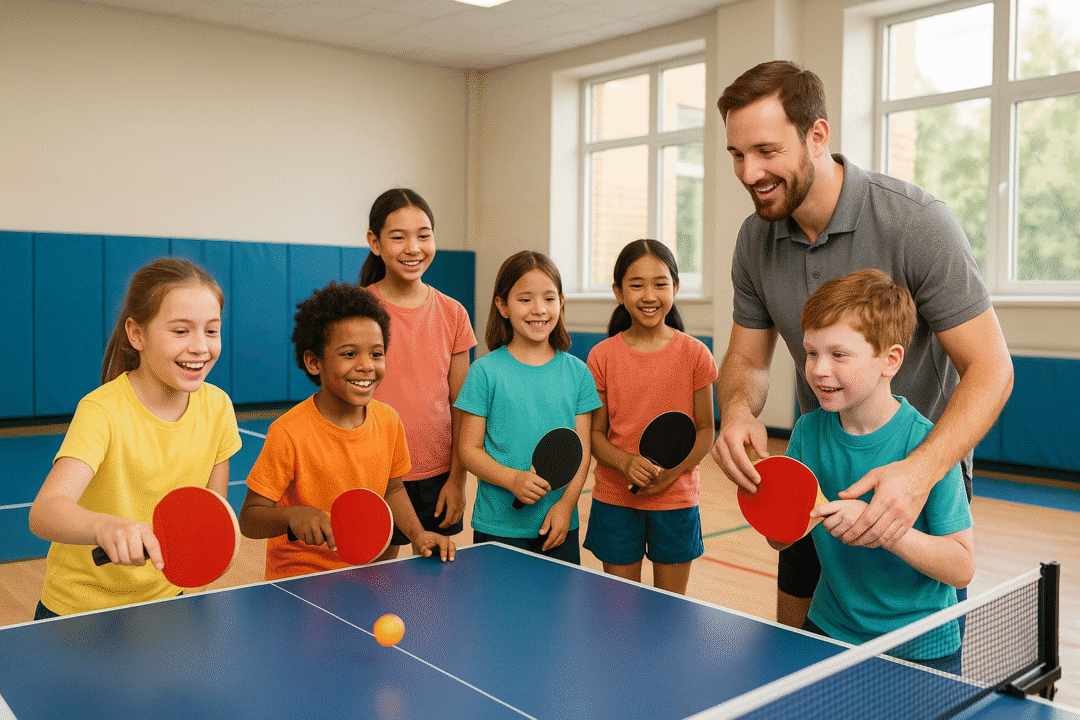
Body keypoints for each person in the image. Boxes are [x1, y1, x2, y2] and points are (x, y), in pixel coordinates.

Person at [710, 60, 1012, 626]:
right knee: (803, 643)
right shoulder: (755, 240)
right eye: (736, 154)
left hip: (921, 465)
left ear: (817, 136)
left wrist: (918, 472)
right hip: (820, 466)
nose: (749, 172)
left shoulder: (917, 223)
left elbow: (992, 369)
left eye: (767, 151)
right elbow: (748, 361)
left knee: (909, 646)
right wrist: (737, 411)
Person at [771, 269, 973, 672]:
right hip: (830, 630)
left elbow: (961, 567)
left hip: (922, 647)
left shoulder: (926, 445)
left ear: (890, 360)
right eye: (811, 353)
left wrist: (879, 527)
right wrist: (774, 509)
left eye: (838, 354)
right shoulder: (807, 433)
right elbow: (781, 540)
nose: (819, 369)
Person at [28, 258, 242, 617]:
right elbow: (45, 511)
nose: (200, 346)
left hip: (166, 602)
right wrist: (103, 526)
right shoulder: (102, 411)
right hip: (78, 612)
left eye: (211, 330)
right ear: (137, 334)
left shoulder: (218, 407)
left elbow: (209, 513)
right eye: (181, 331)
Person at [238, 282, 454, 580]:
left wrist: (418, 534)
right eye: (350, 354)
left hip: (363, 571)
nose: (366, 366)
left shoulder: (389, 421)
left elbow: (393, 489)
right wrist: (292, 516)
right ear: (314, 362)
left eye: (376, 354)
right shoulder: (288, 432)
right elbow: (249, 519)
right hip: (300, 576)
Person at [584, 239, 717, 594]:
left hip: (676, 501)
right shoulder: (601, 357)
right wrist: (625, 463)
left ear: (676, 287)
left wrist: (670, 474)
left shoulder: (696, 354)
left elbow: (706, 429)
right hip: (615, 500)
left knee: (670, 609)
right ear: (618, 291)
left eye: (660, 284)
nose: (649, 295)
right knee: (620, 610)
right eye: (636, 285)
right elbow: (595, 435)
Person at [455, 251, 601, 563]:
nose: (539, 309)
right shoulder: (484, 372)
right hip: (498, 527)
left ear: (561, 303)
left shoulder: (579, 374)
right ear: (502, 306)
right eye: (525, 299)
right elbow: (468, 450)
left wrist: (565, 507)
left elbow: (582, 452)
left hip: (558, 525)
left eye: (549, 298)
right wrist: (512, 479)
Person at [360, 188, 477, 559]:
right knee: (376, 578)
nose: (413, 248)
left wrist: (457, 480)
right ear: (375, 243)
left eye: (424, 236)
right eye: (398, 237)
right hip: (372, 472)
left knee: (434, 576)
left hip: (436, 474)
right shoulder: (358, 310)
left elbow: (462, 406)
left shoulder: (453, 313)